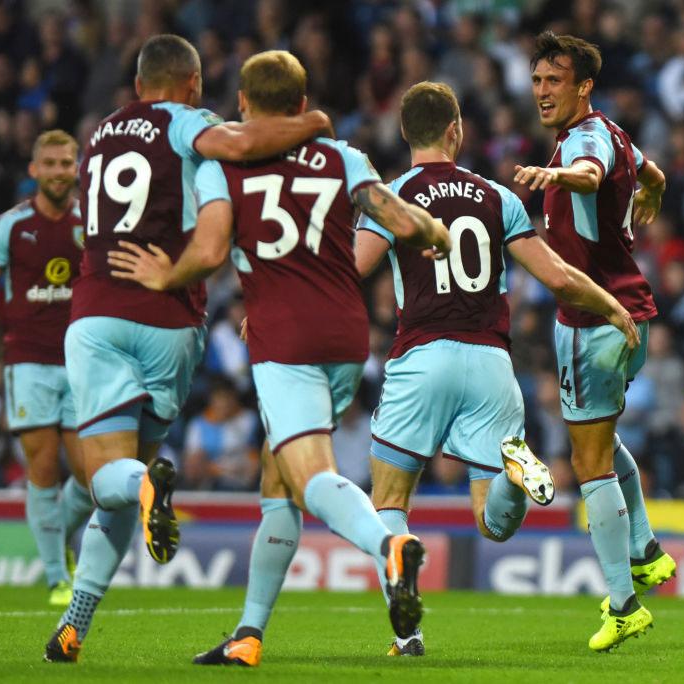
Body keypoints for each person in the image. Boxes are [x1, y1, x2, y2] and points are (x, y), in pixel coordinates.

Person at [107, 50, 451, 667]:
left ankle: (388, 548)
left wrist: (166, 275)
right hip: (346, 339)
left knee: (309, 475)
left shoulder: (220, 167)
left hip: (282, 340)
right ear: (300, 105)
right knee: (278, 476)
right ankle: (248, 635)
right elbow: (401, 219)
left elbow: (209, 250)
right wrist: (435, 235)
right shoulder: (342, 157)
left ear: (241, 105)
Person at [43, 34, 334, 663]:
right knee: (126, 482)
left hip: (98, 312)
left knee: (109, 480)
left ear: (140, 80)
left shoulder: (98, 136)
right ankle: (73, 625)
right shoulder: (186, 122)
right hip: (171, 319)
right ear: (193, 84)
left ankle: (141, 494)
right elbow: (240, 141)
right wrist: (311, 120)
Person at [356, 80, 640, 656]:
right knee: (493, 521)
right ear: (456, 131)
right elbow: (558, 276)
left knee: (389, 503)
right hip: (491, 362)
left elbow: (351, 269)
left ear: (405, 133)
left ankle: (407, 636)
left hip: (422, 357)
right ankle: (514, 474)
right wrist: (612, 305)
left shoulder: (393, 195)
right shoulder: (495, 197)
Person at [513, 32, 674, 652]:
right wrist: (653, 187)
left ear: (584, 86)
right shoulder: (615, 130)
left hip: (594, 321)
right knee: (598, 436)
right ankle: (646, 550)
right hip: (633, 315)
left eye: (555, 80)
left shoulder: (583, 142)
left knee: (588, 462)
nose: (543, 91)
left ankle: (623, 601)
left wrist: (555, 172)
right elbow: (646, 169)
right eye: (537, 80)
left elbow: (587, 174)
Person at [0, 130, 93, 606]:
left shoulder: (93, 222)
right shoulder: (10, 226)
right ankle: (58, 577)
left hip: (82, 361)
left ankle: (59, 539)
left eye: (67, 163)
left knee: (88, 474)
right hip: (27, 360)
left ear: (77, 167)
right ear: (34, 170)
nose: (60, 171)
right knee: (41, 465)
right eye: (51, 163)